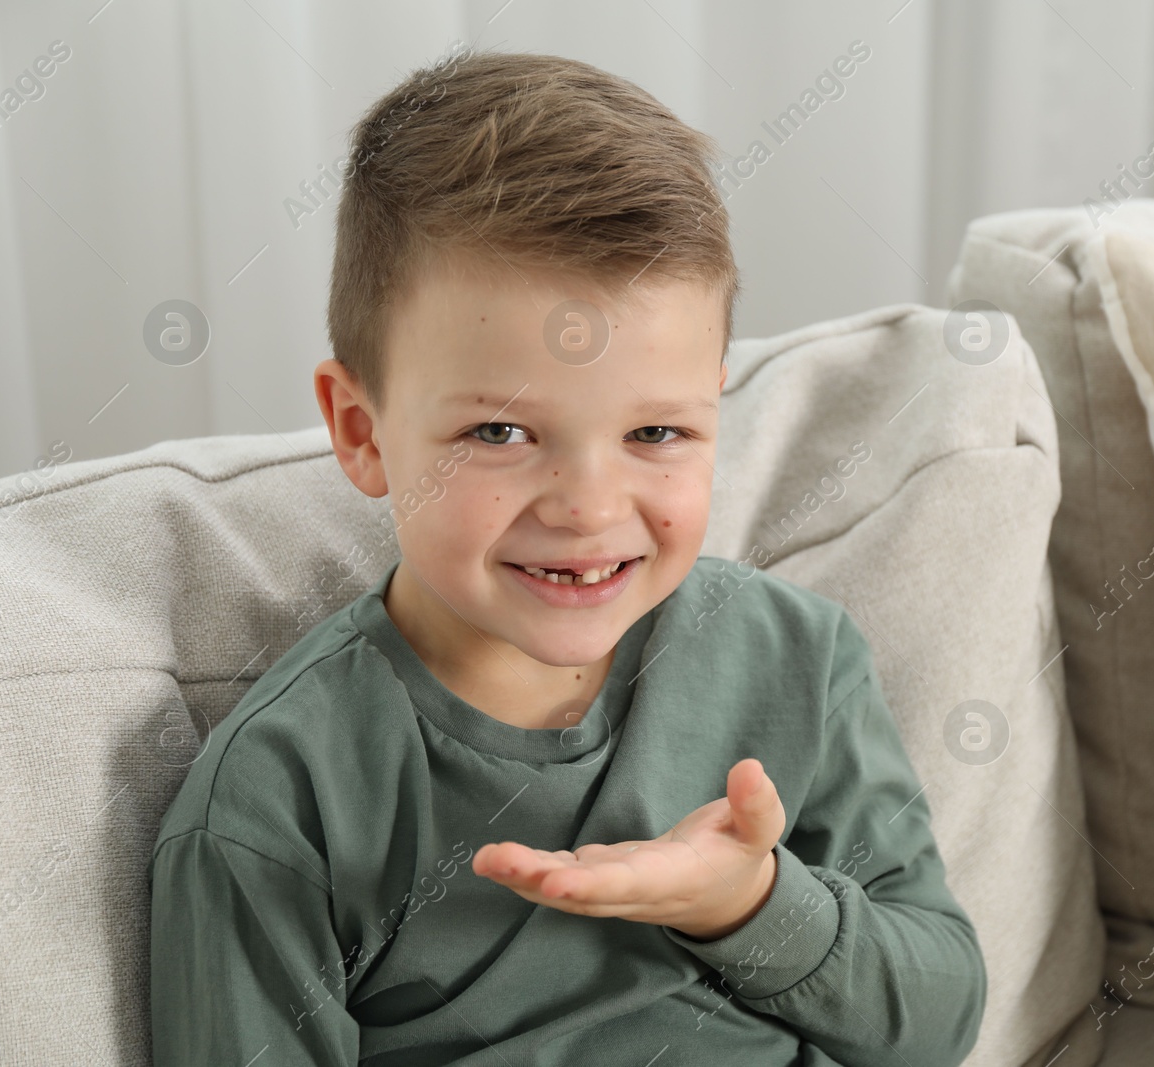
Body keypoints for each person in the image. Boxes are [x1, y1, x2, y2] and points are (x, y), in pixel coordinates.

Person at [147, 47, 985, 1066]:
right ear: (362, 432)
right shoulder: (283, 792)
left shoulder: (794, 657)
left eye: (656, 434)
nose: (589, 508)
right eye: (501, 433)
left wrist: (750, 903)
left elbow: (937, 1020)